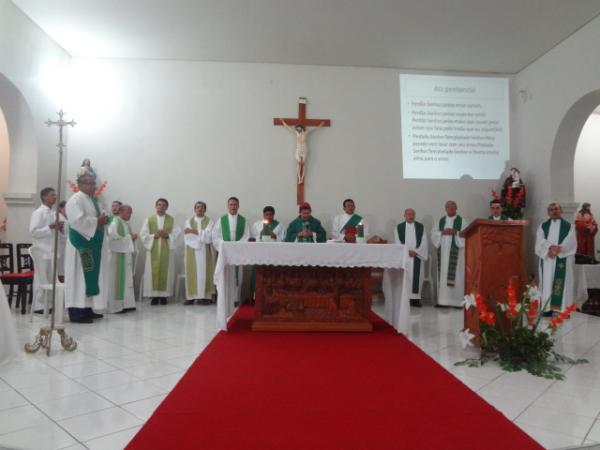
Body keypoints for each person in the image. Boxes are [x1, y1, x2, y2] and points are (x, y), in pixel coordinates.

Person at [64, 172, 109, 323]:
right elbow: (77, 221)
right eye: (89, 183)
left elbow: (99, 217)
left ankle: (87, 308)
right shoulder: (75, 200)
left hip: (90, 242)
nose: (92, 186)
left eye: (93, 183)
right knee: (79, 277)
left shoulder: (92, 200)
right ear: (80, 184)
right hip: (80, 244)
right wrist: (98, 221)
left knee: (87, 278)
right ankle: (76, 312)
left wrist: (103, 218)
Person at [212, 197, 250, 324]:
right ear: (228, 206)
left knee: (237, 276)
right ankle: (226, 300)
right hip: (226, 254)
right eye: (231, 204)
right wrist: (224, 244)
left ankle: (236, 299)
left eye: (235, 204)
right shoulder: (221, 220)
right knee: (226, 277)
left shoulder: (243, 220)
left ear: (238, 206)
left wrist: (237, 245)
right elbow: (215, 236)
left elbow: (246, 235)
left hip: (237, 253)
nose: (233, 206)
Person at [535, 203, 577, 315]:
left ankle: (563, 309)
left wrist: (559, 249)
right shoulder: (542, 226)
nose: (554, 211)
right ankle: (547, 308)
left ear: (561, 211)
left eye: (556, 209)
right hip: (547, 259)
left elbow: (570, 241)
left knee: (563, 283)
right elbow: (540, 240)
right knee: (547, 282)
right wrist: (549, 248)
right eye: (551, 210)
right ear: (548, 212)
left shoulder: (569, 226)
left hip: (562, 258)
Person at [140, 198, 181, 305]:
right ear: (155, 206)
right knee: (152, 272)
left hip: (166, 250)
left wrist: (167, 235)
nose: (161, 207)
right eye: (159, 205)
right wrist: (154, 235)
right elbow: (143, 235)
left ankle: (164, 296)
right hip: (153, 249)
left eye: (163, 205)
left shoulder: (171, 220)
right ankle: (153, 296)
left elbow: (178, 234)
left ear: (166, 207)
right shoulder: (149, 220)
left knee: (166, 272)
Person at [29, 187, 64, 313]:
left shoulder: (54, 213)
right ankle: (39, 306)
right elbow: (34, 232)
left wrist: (60, 229)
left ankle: (48, 305)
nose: (55, 197)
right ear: (44, 197)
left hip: (53, 251)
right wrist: (50, 227)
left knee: (51, 279)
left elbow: (58, 233)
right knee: (41, 278)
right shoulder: (38, 213)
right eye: (52, 195)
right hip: (42, 251)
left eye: (55, 195)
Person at [431, 200, 468, 307]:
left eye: (452, 207)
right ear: (445, 209)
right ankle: (443, 301)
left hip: (457, 255)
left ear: (456, 208)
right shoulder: (440, 221)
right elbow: (433, 234)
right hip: (443, 253)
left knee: (457, 275)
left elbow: (466, 234)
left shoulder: (462, 221)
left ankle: (457, 302)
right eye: (448, 207)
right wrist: (441, 232)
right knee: (443, 274)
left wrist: (455, 232)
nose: (450, 209)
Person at [183, 201, 216, 305]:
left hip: (206, 251)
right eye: (197, 207)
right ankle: (191, 297)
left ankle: (206, 297)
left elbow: (209, 236)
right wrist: (200, 233)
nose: (199, 209)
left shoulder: (209, 221)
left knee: (205, 273)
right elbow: (188, 237)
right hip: (192, 251)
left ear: (205, 210)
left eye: (202, 208)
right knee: (191, 272)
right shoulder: (189, 221)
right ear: (194, 209)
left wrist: (195, 231)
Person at [107, 204, 137, 313]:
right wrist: (130, 238)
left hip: (125, 256)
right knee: (117, 280)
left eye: (131, 213)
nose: (130, 215)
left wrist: (131, 239)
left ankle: (127, 304)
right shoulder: (115, 223)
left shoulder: (126, 224)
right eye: (129, 212)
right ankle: (116, 306)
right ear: (121, 212)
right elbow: (111, 240)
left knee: (126, 280)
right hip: (116, 257)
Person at [279, 119, 325, 184]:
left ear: (301, 127)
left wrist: (320, 125)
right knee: (298, 163)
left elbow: (314, 129)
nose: (298, 129)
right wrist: (283, 122)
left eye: (299, 128)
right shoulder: (296, 132)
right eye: (297, 128)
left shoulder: (306, 132)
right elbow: (289, 128)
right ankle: (299, 177)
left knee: (303, 164)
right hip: (298, 149)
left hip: (304, 149)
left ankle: (302, 178)